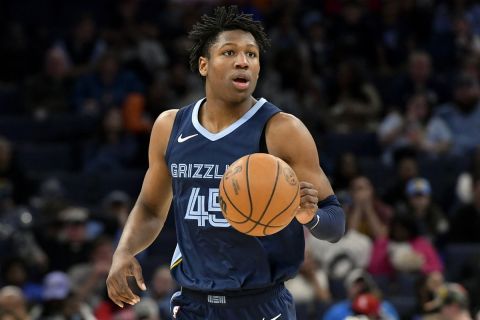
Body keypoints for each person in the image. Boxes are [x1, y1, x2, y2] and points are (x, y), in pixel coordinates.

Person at [106, 5, 345, 320]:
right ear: (204, 65)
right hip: (192, 304)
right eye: (229, 52)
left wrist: (310, 215)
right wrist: (123, 252)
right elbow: (151, 210)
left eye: (252, 55)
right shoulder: (170, 127)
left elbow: (335, 222)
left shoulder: (282, 130)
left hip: (261, 305)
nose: (243, 61)